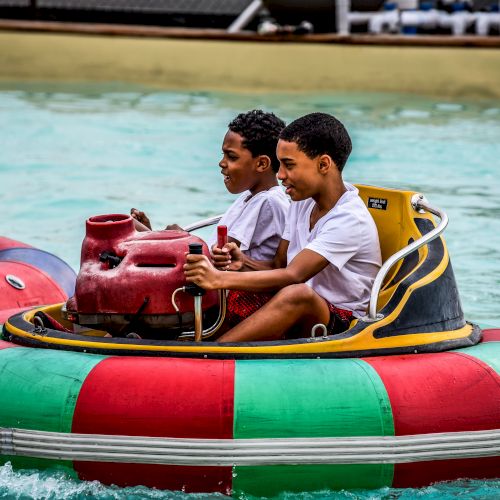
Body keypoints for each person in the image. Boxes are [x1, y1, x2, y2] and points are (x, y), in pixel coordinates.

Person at [184, 112, 382, 343]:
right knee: (238, 290)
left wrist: (218, 278)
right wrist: (243, 263)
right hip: (297, 299)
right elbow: (280, 265)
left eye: (288, 165)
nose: (280, 175)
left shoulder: (349, 219)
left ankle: (213, 353)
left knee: (298, 294)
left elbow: (294, 275)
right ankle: (188, 339)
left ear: (323, 164)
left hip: (342, 321)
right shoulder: (303, 201)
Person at [131, 110, 289, 264]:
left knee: (124, 228)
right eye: (223, 155)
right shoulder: (252, 197)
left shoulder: (268, 201)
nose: (222, 163)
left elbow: (217, 258)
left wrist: (178, 238)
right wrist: (154, 235)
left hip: (233, 289)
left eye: (231, 157)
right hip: (219, 281)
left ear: (261, 163)